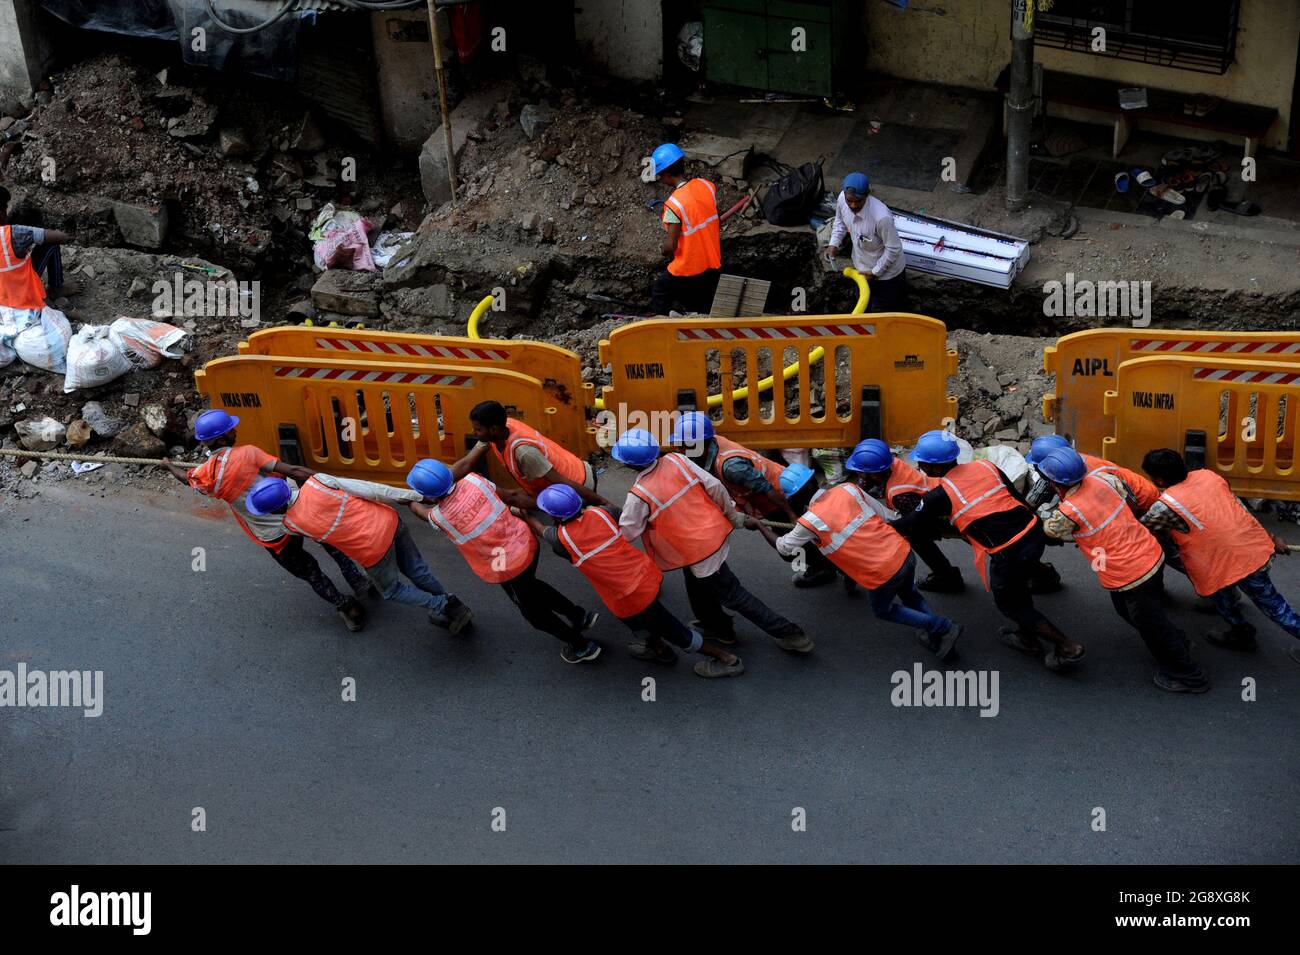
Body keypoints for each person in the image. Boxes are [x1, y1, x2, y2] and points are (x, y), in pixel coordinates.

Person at [892, 429, 1086, 671]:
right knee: (1020, 584)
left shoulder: (939, 496)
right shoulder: (985, 466)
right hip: (1032, 533)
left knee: (1011, 604)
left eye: (921, 462)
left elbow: (913, 524)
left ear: (933, 468)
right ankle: (1030, 627)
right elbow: (1014, 496)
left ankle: (1067, 647)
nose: (918, 465)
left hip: (1009, 553)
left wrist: (883, 524)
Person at [162, 410, 370, 632]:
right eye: (231, 429)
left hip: (273, 536)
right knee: (330, 542)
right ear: (222, 438)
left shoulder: (204, 474)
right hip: (295, 513)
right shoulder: (247, 453)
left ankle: (347, 608)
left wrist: (168, 464)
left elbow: (186, 478)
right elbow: (293, 471)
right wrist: (329, 483)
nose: (236, 431)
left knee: (310, 572)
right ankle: (357, 580)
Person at [611, 428, 812, 653]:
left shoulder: (638, 495)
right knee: (696, 583)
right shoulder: (677, 460)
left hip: (698, 550)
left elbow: (627, 533)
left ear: (628, 464)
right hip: (711, 536)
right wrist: (734, 517)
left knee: (732, 594)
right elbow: (715, 487)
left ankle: (790, 633)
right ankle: (714, 624)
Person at [758, 442, 963, 660]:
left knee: (883, 610)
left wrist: (759, 525)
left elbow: (784, 548)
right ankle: (936, 633)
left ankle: (942, 626)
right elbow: (889, 517)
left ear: (795, 498)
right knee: (909, 593)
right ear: (814, 480)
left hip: (881, 573)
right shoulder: (848, 489)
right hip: (903, 553)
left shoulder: (809, 522)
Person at [520, 483, 744, 677]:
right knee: (641, 622)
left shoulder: (562, 541)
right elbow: (618, 514)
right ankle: (658, 650)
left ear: (555, 516)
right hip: (645, 576)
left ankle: (727, 659)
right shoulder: (603, 513)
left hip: (627, 597)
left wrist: (525, 515)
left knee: (674, 631)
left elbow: (541, 529)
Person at [1039, 447, 1207, 693]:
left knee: (1152, 626)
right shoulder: (1103, 480)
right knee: (1127, 610)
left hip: (1131, 574)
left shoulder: (1069, 511)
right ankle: (1178, 640)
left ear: (1055, 484)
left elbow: (1052, 530)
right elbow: (1126, 501)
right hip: (1149, 555)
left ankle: (1188, 675)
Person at [406, 458, 602, 665]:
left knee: (534, 614)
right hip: (525, 543)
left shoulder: (440, 517)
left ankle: (581, 646)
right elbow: (510, 496)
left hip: (507, 566)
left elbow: (421, 512)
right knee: (532, 586)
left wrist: (409, 500)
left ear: (428, 495)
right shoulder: (475, 481)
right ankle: (579, 616)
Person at [243, 473, 473, 636]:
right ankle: (455, 604)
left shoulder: (292, 524)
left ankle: (441, 604)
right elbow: (370, 489)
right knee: (417, 570)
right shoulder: (319, 481)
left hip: (374, 551)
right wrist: (415, 496)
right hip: (391, 522)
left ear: (274, 510)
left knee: (392, 591)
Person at [1140, 449, 1299, 663]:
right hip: (1248, 553)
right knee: (1227, 597)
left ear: (1157, 479)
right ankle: (1241, 632)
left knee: (1276, 610)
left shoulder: (1165, 506)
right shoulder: (1209, 476)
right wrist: (1272, 538)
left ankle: (1241, 630)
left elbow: (1142, 529)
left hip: (1231, 563)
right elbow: (1238, 510)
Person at [669, 411, 835, 588]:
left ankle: (822, 568)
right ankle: (825, 560)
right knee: (803, 536)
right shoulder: (714, 442)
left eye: (683, 445)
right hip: (780, 489)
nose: (680, 449)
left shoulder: (731, 467)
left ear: (699, 443)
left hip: (782, 499)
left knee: (790, 547)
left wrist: (791, 515)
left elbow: (768, 489)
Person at [850, 438, 964, 593]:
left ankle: (947, 577)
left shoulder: (900, 494)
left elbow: (918, 521)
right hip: (937, 497)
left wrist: (886, 529)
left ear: (875, 475)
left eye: (860, 472)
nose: (857, 474)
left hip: (947, 512)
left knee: (917, 537)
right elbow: (863, 485)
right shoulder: (889, 464)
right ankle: (947, 576)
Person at [466, 399, 605, 505]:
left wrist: (604, 503)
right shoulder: (503, 428)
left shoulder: (524, 453)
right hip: (574, 473)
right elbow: (466, 463)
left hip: (579, 485)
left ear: (493, 430)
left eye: (478, 430)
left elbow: (562, 481)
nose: (474, 433)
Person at [648, 142, 721, 315]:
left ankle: (660, 324)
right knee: (701, 301)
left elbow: (671, 247)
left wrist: (663, 250)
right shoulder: (706, 185)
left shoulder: (674, 205)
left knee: (660, 289)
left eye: (660, 175)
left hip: (689, 267)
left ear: (666, 175)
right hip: (712, 262)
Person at [822, 172, 906, 313]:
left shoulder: (881, 217)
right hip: (862, 271)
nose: (853, 205)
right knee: (863, 309)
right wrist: (833, 243)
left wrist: (874, 272)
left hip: (887, 277)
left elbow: (893, 249)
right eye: (850, 201)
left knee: (879, 315)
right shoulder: (842, 199)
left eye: (858, 201)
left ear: (867, 195)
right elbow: (840, 221)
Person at [1026, 435, 1160, 513]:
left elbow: (1125, 509)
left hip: (1143, 502)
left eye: (1038, 466)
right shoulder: (1061, 469)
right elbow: (1044, 485)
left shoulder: (1098, 479)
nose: (1037, 469)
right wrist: (1026, 509)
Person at [0, 185, 75, 324]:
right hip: (21, 292)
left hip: (2, 298)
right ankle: (56, 288)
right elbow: (59, 237)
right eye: (5, 207)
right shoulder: (14, 232)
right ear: (2, 213)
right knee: (51, 244)